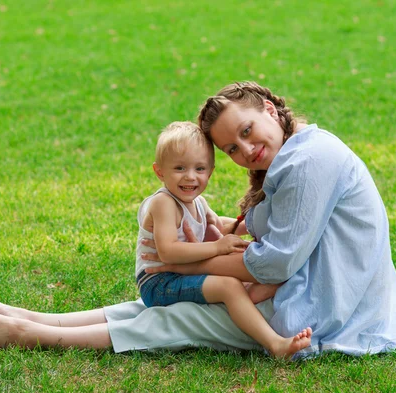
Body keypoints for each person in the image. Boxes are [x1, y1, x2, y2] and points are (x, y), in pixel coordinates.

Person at [0, 81, 396, 359]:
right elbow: (267, 237)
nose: (245, 149)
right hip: (326, 290)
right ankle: (32, 317)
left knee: (176, 318)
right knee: (166, 304)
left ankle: (27, 334)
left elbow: (274, 264)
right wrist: (218, 239)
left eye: (247, 131)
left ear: (270, 111)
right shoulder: (297, 154)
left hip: (327, 310)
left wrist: (185, 264)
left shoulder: (307, 161)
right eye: (232, 148)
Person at [133, 121, 311, 357]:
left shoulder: (197, 202)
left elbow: (223, 227)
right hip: (159, 283)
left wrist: (260, 228)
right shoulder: (164, 203)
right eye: (179, 168)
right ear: (159, 172)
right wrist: (218, 247)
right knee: (228, 286)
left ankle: (245, 312)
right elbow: (168, 252)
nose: (190, 177)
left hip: (179, 273)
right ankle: (274, 343)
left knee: (245, 268)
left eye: (200, 169)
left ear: (211, 171)